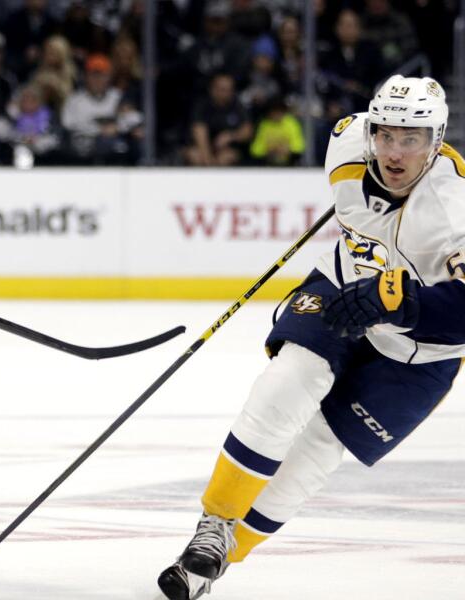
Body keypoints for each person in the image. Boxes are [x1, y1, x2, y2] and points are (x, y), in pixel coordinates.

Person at [157, 75, 464, 599]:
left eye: (411, 139)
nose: (394, 151)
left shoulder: (454, 207)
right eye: (386, 134)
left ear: (435, 143)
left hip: (422, 347)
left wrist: (400, 301)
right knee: (292, 376)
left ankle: (220, 558)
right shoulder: (347, 143)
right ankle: (214, 524)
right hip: (345, 287)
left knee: (320, 446)